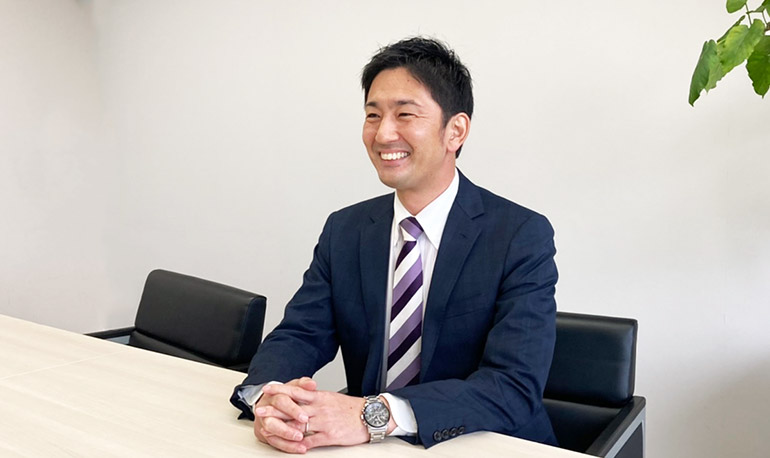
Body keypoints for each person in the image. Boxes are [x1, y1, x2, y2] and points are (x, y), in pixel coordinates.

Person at [230, 36, 559, 454]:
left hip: (486, 444)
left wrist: (373, 415)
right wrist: (269, 398)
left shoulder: (519, 235)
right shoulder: (346, 229)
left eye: (405, 114)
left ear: (455, 130)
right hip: (374, 449)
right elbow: (300, 334)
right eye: (373, 115)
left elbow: (512, 386)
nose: (383, 133)